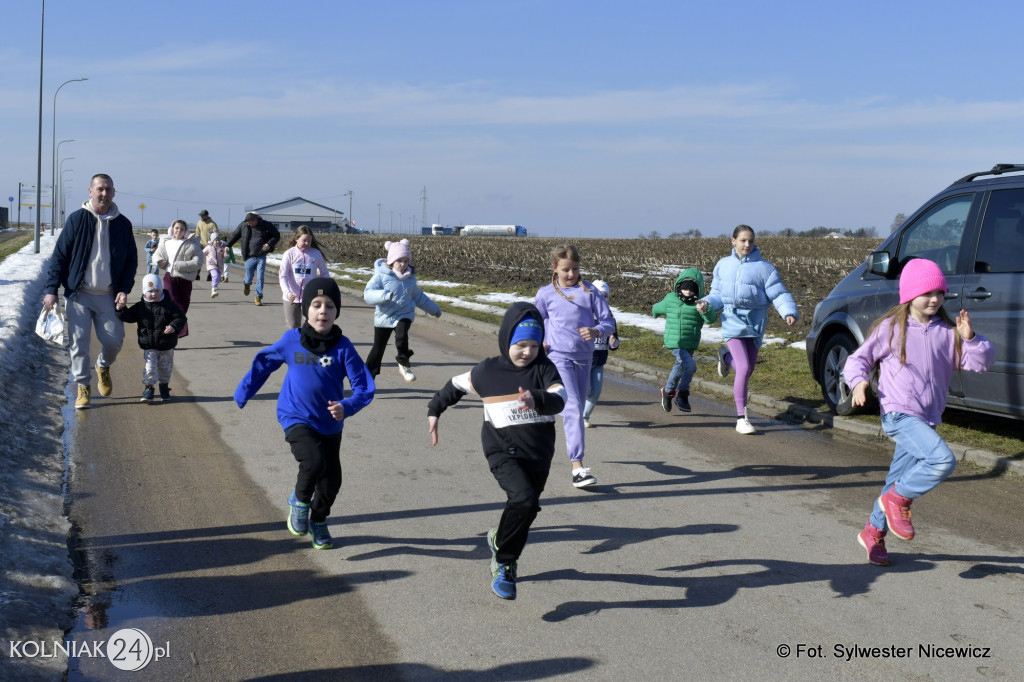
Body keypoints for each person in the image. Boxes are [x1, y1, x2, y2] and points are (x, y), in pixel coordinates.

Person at [844, 259, 993, 566]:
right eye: (927, 293)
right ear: (910, 294)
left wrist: (970, 339)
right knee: (942, 460)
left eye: (940, 292)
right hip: (898, 414)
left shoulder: (947, 332)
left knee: (897, 478)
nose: (935, 299)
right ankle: (897, 500)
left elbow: (981, 363)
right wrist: (858, 384)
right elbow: (858, 360)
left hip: (927, 419)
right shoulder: (891, 328)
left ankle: (873, 532)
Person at [427, 303, 566, 600]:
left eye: (533, 345)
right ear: (506, 341)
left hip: (538, 454)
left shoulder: (544, 369)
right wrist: (434, 410)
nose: (527, 352)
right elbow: (455, 386)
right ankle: (504, 563)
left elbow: (560, 398)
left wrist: (537, 398)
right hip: (501, 450)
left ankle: (499, 538)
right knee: (524, 499)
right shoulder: (487, 371)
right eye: (520, 345)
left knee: (526, 508)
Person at [235, 277, 375, 550]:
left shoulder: (344, 347)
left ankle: (318, 520)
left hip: (330, 424)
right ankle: (299, 503)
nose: (323, 311)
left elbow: (364, 387)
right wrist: (244, 392)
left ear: (337, 311)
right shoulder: (292, 340)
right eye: (316, 305)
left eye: (330, 306)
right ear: (305, 310)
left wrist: (347, 406)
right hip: (295, 416)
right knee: (313, 461)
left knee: (332, 481)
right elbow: (264, 363)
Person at [42, 173, 138, 409]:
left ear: (113, 192)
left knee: (114, 341)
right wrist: (51, 288)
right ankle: (83, 386)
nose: (104, 193)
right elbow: (59, 257)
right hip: (79, 295)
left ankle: (102, 365)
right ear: (90, 191)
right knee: (79, 344)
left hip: (108, 296)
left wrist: (124, 289)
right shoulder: (77, 219)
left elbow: (131, 262)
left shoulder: (123, 224)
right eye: (100, 189)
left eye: (108, 189)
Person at [700, 225, 797, 434]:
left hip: (755, 324)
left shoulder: (765, 268)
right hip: (731, 321)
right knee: (743, 369)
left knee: (748, 369)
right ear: (733, 240)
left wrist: (788, 312)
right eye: (743, 240)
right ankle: (741, 418)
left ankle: (726, 358)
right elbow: (717, 294)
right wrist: (707, 303)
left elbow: (779, 294)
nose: (747, 244)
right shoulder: (723, 265)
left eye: (750, 241)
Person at [534, 244, 616, 488]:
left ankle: (544, 414)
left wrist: (596, 330)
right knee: (572, 409)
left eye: (576, 269)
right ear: (554, 268)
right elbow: (536, 320)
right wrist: (540, 340)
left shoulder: (590, 292)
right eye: (566, 270)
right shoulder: (546, 294)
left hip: (584, 357)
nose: (571, 274)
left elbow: (608, 322)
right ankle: (577, 467)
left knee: (576, 412)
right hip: (557, 356)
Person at [362, 239, 441, 382]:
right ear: (391, 261)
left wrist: (434, 309)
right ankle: (367, 378)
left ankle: (404, 364)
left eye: (406, 261)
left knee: (401, 336)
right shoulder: (381, 275)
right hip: (384, 316)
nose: (403, 264)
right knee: (378, 349)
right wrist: (384, 295)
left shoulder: (410, 278)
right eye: (399, 261)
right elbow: (368, 294)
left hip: (404, 314)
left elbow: (419, 297)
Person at [652, 267, 717, 413]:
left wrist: (706, 310)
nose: (687, 292)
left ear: (697, 290)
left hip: (690, 342)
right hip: (675, 342)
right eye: (685, 288)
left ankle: (668, 391)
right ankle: (682, 395)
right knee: (690, 365)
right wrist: (654, 312)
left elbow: (711, 319)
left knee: (680, 367)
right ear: (679, 286)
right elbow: (657, 307)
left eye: (691, 289)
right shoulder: (671, 299)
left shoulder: (700, 303)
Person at [115, 273, 187, 402]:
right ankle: (149, 388)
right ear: (144, 291)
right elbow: (129, 317)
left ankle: (164, 386)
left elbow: (181, 317)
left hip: (167, 344)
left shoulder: (169, 305)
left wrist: (174, 326)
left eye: (157, 291)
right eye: (150, 291)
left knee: (165, 368)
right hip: (149, 345)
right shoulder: (140, 307)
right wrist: (121, 309)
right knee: (150, 368)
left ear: (161, 290)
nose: (154, 294)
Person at [582, 280, 619, 428]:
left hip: (599, 362)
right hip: (584, 360)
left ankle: (584, 417)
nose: (602, 298)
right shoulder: (584, 314)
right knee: (587, 390)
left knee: (596, 392)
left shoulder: (609, 317)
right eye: (599, 295)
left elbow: (615, 342)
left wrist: (614, 342)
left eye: (605, 296)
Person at [154, 219, 201, 338]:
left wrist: (178, 265)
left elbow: (198, 262)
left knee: (184, 305)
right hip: (170, 277)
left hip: (185, 279)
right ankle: (175, 331)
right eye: (176, 228)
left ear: (186, 232)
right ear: (172, 229)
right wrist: (159, 261)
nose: (179, 231)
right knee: (174, 302)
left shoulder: (192, 244)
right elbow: (156, 255)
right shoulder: (166, 242)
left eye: (182, 229)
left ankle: (175, 328)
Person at [225, 211, 280, 306]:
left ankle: (258, 296)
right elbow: (235, 235)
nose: (248, 224)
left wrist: (269, 244)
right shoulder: (243, 225)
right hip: (249, 256)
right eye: (247, 223)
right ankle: (247, 284)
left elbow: (276, 235)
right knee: (248, 277)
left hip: (261, 255)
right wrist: (227, 245)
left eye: (250, 223)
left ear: (255, 220)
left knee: (260, 276)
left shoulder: (266, 225)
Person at [279, 225, 329, 329]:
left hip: (310, 296)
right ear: (296, 239)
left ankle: (308, 340)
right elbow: (283, 275)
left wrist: (323, 289)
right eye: (304, 240)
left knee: (311, 325)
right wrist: (287, 292)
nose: (307, 243)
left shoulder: (316, 254)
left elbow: (324, 273)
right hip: (291, 297)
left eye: (309, 241)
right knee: (293, 326)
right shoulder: (289, 254)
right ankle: (295, 340)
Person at [203, 232, 227, 299]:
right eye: (216, 240)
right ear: (212, 241)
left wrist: (226, 251)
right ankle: (213, 289)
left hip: (219, 266)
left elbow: (225, 257)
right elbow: (202, 253)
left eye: (218, 240)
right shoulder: (209, 247)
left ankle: (214, 289)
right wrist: (198, 259)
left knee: (218, 279)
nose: (217, 241)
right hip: (211, 265)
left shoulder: (221, 248)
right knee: (215, 276)